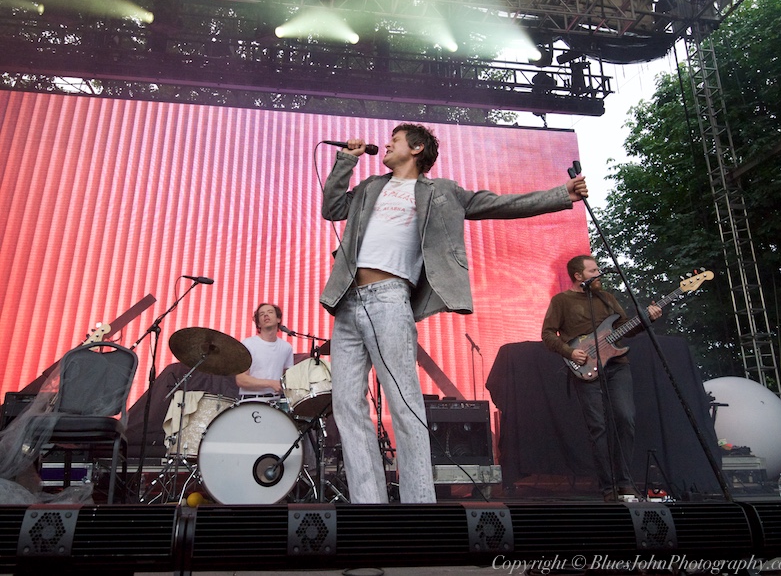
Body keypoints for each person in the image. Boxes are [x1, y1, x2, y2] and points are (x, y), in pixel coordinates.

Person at [319, 122, 588, 504]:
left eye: (394, 140)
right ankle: (369, 506)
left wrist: (562, 193)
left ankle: (418, 507)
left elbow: (499, 204)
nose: (386, 145)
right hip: (347, 301)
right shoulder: (370, 188)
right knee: (346, 404)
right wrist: (346, 161)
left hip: (390, 297)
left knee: (404, 402)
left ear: (415, 149)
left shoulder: (442, 191)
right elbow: (332, 208)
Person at [541, 254, 662, 502]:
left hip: (617, 365)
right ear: (578, 275)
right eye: (593, 270)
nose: (599, 273)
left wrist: (647, 318)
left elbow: (625, 326)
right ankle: (609, 487)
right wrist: (570, 351)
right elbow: (546, 334)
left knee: (625, 419)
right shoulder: (562, 301)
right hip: (585, 368)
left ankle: (625, 482)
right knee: (599, 427)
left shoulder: (606, 299)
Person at [236, 303, 295, 399]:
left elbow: (289, 379)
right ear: (258, 323)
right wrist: (270, 383)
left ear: (278, 319)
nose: (266, 315)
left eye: (270, 312)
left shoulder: (286, 347)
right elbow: (241, 380)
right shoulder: (248, 344)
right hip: (250, 400)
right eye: (261, 314)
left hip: (276, 402)